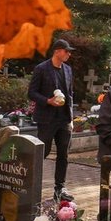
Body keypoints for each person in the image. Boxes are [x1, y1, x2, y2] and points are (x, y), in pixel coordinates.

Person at [29, 38, 76, 199]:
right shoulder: (41, 69)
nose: (69, 54)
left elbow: (70, 94)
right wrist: (47, 101)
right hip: (47, 119)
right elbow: (32, 92)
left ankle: (60, 188)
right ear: (57, 51)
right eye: (66, 51)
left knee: (63, 154)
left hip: (64, 119)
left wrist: (71, 119)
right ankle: (30, 183)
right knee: (43, 151)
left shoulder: (68, 70)